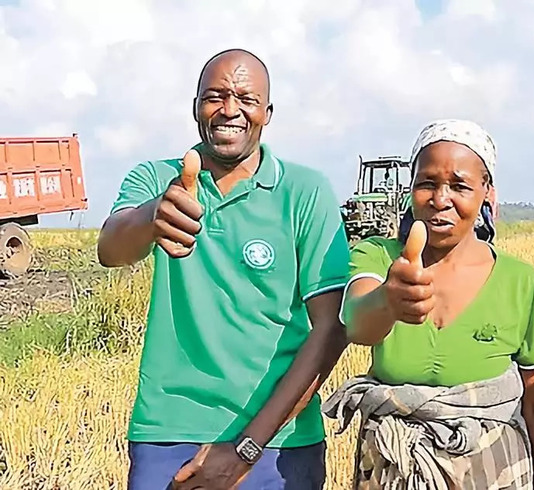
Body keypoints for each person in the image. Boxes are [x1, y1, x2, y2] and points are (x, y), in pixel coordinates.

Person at [97, 48, 351, 490]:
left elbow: (330, 329)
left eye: (246, 99)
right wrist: (153, 216)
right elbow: (110, 248)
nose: (229, 109)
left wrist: (247, 449)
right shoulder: (158, 179)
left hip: (279, 443)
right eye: (215, 96)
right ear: (196, 107)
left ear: (267, 113)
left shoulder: (306, 192)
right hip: (168, 433)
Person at [323, 119, 534, 489]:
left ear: (487, 194)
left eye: (460, 186)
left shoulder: (518, 281)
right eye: (427, 184)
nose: (440, 199)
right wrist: (389, 300)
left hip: (493, 474)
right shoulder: (377, 257)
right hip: (394, 471)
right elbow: (356, 324)